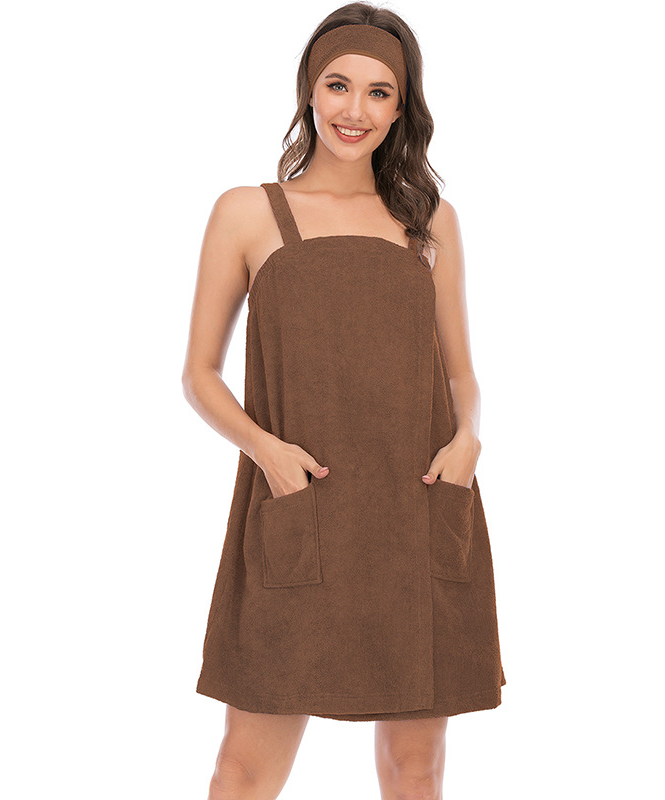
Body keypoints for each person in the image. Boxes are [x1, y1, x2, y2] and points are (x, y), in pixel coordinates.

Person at [181, 3, 506, 797]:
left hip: (417, 507)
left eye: (378, 92)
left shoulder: (429, 222)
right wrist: (267, 452)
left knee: (416, 766)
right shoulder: (248, 211)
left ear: (401, 108)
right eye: (337, 85)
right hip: (300, 507)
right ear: (309, 89)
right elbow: (199, 373)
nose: (354, 109)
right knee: (242, 767)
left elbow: (460, 373)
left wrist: (468, 438)